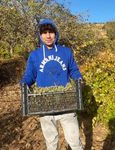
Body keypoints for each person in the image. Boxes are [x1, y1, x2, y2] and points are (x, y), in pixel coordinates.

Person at [21, 18, 83, 150]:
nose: (48, 36)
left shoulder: (66, 52)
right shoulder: (35, 55)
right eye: (44, 32)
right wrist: (24, 83)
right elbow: (30, 75)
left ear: (56, 33)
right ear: (40, 35)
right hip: (45, 105)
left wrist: (78, 79)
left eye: (51, 32)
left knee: (75, 142)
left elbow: (73, 70)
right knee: (51, 143)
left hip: (66, 102)